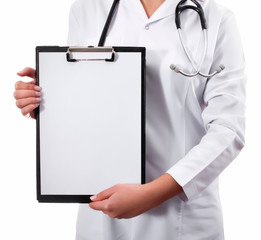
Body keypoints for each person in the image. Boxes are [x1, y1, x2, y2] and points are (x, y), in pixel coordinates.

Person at [13, 0, 246, 239]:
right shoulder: (88, 10)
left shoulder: (217, 18)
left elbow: (228, 131)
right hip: (101, 215)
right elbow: (90, 101)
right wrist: (49, 102)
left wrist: (152, 194)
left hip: (181, 220)